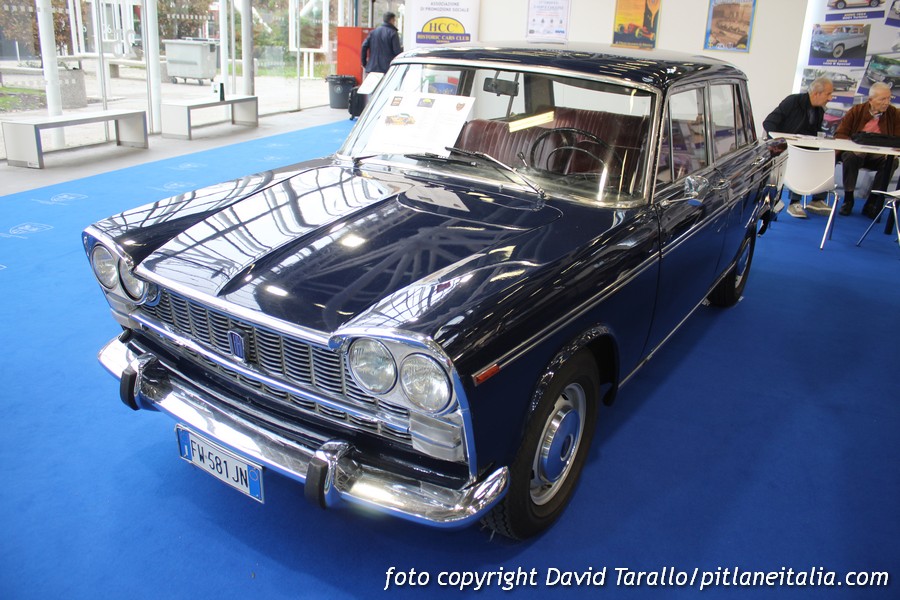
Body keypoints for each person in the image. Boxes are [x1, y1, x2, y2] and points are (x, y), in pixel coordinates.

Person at [763, 77, 835, 218]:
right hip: (786, 149)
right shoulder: (793, 101)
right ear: (816, 93)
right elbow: (769, 123)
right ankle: (794, 202)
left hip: (806, 150)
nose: (830, 98)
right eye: (828, 94)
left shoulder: (819, 111)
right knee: (802, 160)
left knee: (824, 160)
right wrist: (781, 142)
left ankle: (817, 200)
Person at [834, 82, 900, 218]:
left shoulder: (894, 113)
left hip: (879, 155)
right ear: (870, 100)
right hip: (857, 153)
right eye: (883, 99)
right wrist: (854, 147)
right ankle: (848, 199)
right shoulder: (856, 111)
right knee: (850, 157)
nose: (887, 102)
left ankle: (872, 202)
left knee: (892, 162)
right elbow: (840, 134)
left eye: (889, 98)